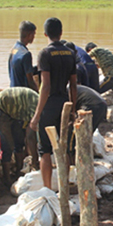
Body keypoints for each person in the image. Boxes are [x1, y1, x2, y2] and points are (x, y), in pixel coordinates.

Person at [29, 18, 78, 190]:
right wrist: (73, 110)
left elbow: (46, 86)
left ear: (45, 34)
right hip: (64, 104)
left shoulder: (44, 54)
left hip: (49, 106)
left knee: (46, 150)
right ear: (61, 33)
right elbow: (73, 85)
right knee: (62, 147)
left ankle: (48, 189)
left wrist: (36, 116)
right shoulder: (70, 53)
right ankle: (64, 187)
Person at [0, 87, 39, 183]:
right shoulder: (36, 111)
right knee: (6, 145)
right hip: (0, 107)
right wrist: (34, 161)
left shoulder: (36, 109)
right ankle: (7, 180)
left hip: (15, 110)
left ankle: (18, 172)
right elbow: (30, 137)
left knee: (18, 142)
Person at [8, 21, 39, 91]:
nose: (34, 37)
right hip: (22, 94)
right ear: (30, 35)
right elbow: (30, 81)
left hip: (12, 90)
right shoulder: (26, 54)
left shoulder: (14, 49)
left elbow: (19, 70)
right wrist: (39, 96)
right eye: (34, 34)